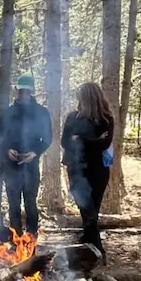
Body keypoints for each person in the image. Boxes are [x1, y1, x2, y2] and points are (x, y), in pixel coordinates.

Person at [61, 82, 115, 257]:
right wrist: (93, 140)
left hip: (98, 171)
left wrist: (80, 140)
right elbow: (64, 142)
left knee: (92, 210)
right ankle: (95, 246)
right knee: (86, 209)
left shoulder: (106, 119)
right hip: (76, 169)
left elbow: (105, 143)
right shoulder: (72, 117)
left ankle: (90, 244)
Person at [0, 75, 53, 238]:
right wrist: (7, 150)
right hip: (11, 165)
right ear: (16, 91)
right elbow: (0, 138)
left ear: (32, 92)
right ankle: (16, 237)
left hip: (31, 165)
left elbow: (48, 138)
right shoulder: (7, 113)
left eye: (27, 92)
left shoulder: (42, 112)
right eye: (21, 91)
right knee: (13, 204)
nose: (23, 95)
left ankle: (32, 236)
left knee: (30, 202)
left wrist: (35, 152)